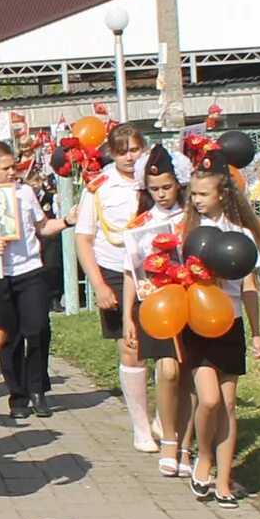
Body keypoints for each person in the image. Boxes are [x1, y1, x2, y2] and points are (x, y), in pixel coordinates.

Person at [178, 158, 260, 506]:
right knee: (209, 400)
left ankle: (223, 481)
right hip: (198, 324)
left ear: (222, 194)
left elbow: (249, 286)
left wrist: (256, 332)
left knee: (229, 404)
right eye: (193, 194)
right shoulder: (185, 232)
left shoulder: (241, 235)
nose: (197, 200)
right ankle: (203, 456)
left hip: (230, 324)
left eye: (203, 194)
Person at [73, 123, 157, 451]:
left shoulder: (155, 179)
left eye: (134, 150)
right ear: (111, 153)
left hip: (155, 270)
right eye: (121, 152)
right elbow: (84, 239)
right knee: (130, 347)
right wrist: (98, 284)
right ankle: (141, 426)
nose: (129, 157)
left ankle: (165, 416)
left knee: (166, 349)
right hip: (114, 271)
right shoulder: (99, 187)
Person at [0, 139, 66, 424]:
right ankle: (18, 396)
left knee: (37, 328)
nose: (12, 172)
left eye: (14, 166)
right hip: (0, 276)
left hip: (30, 270)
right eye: (6, 168)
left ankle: (37, 389)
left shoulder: (25, 193)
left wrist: (67, 221)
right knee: (8, 338)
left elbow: (43, 227)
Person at [121, 148, 195, 478]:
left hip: (190, 303)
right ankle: (167, 436)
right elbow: (130, 271)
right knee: (167, 370)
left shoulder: (191, 218)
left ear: (179, 184)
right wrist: (127, 316)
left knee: (188, 373)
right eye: (154, 189)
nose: (162, 194)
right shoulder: (140, 224)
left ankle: (185, 440)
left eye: (167, 187)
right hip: (156, 307)